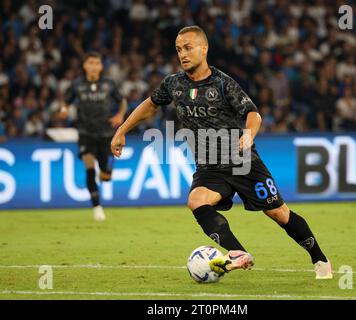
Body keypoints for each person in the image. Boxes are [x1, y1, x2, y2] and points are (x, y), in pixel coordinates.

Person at [110, 26, 332, 279]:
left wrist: (248, 133)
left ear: (204, 49)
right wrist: (122, 130)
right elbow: (150, 106)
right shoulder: (173, 84)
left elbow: (253, 113)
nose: (183, 54)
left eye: (188, 47)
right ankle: (238, 253)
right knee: (196, 201)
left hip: (242, 162)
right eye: (179, 49)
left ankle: (320, 259)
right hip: (209, 167)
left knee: (278, 213)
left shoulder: (223, 83)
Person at [61, 52, 127, 221]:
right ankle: (97, 206)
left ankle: (104, 171)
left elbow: (122, 101)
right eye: (90, 62)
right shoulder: (77, 85)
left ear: (101, 66)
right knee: (89, 168)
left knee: (105, 175)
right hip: (85, 133)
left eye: (97, 63)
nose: (94, 66)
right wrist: (64, 109)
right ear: (85, 66)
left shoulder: (109, 84)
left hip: (106, 134)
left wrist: (120, 115)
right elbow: (66, 101)